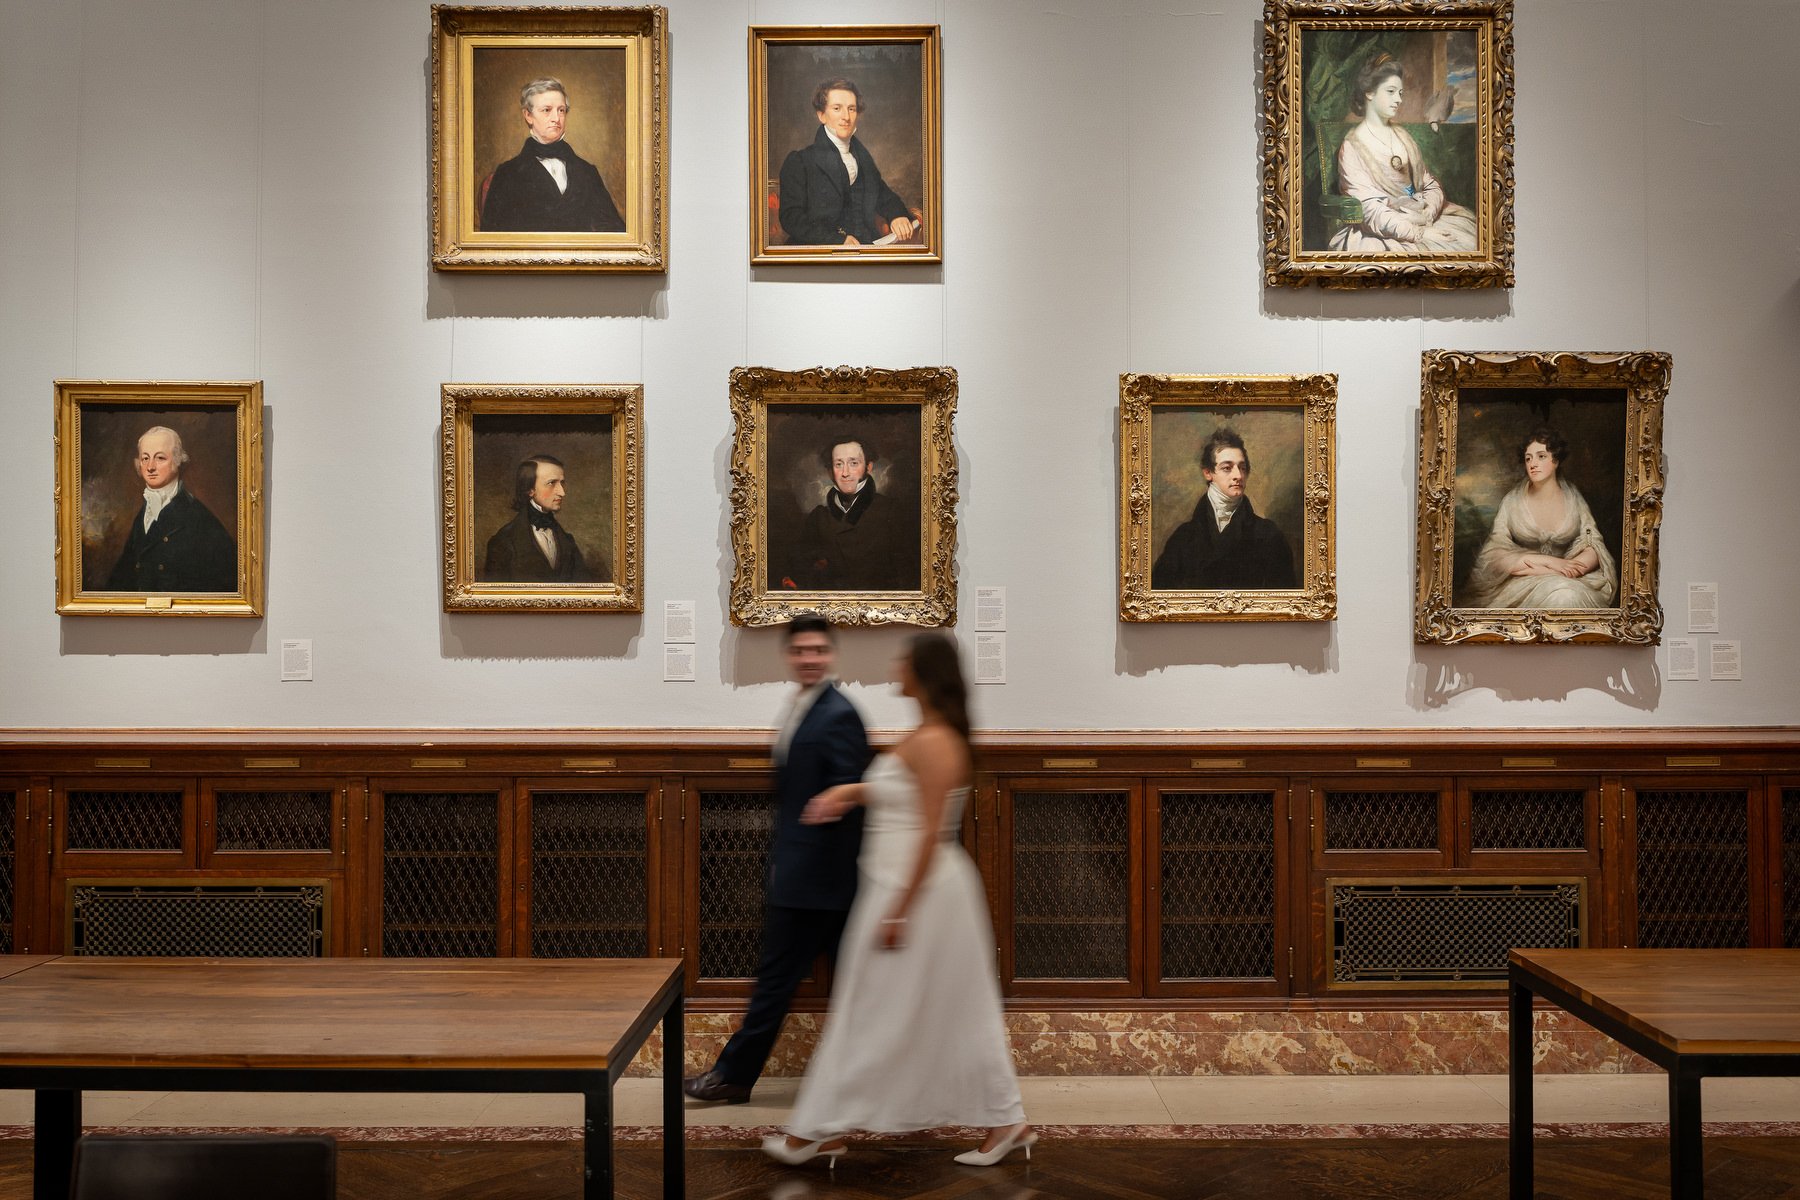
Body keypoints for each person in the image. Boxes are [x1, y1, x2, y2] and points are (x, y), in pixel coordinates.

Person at [763, 633, 1034, 1170]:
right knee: (904, 1011)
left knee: (876, 1012)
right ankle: (1003, 1119)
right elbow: (899, 794)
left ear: (924, 674)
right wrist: (850, 792)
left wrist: (901, 909)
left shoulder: (937, 742)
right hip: (894, 889)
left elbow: (931, 835)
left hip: (924, 895)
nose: (895, 667)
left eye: (904, 662)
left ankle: (817, 1130)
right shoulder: (928, 733)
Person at [683, 615, 871, 1104]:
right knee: (828, 988)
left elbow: (854, 792)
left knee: (780, 983)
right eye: (802, 651)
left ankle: (733, 1076)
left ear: (831, 655)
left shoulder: (838, 713)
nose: (810, 659)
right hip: (801, 874)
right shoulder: (802, 708)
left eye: (818, 651)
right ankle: (739, 1077)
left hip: (821, 883)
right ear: (790, 655)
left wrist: (834, 811)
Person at [1328, 55, 1477, 253]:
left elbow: (1429, 183)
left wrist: (1428, 213)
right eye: (1391, 92)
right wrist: (1418, 233)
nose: (1398, 99)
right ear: (1369, 93)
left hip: (1421, 218)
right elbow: (1368, 209)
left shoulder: (1403, 136)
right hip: (1381, 231)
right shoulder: (1352, 147)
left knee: (1470, 243)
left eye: (1400, 93)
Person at [1464, 427, 1618, 609]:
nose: (1532, 464)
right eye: (1528, 458)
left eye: (1541, 456)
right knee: (1564, 595)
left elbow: (1593, 545)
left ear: (1556, 460)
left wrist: (1570, 570)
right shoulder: (1512, 501)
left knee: (1569, 594)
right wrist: (1550, 564)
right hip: (1523, 583)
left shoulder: (1573, 498)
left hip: (1571, 578)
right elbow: (1495, 555)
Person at [777, 77, 918, 246]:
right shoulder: (800, 162)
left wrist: (897, 215)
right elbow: (791, 218)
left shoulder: (862, 159)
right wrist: (838, 241)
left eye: (852, 109)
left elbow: (883, 195)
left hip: (865, 249)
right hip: (817, 255)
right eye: (837, 108)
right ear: (821, 115)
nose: (846, 117)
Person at [1151, 428, 1297, 590]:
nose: (1238, 475)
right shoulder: (1183, 538)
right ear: (1208, 473)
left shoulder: (1269, 535)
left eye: (1242, 467)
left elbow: (1283, 602)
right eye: (1227, 468)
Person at [480, 77, 626, 233]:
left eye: (561, 110)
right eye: (547, 110)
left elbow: (614, 231)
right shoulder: (507, 173)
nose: (556, 119)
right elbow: (492, 239)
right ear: (528, 115)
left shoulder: (588, 172)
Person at [101, 426, 236, 593]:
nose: (150, 467)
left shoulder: (199, 519)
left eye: (160, 458)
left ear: (178, 460)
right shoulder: (142, 515)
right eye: (145, 458)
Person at [787, 434, 920, 591]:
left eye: (853, 463)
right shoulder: (818, 518)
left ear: (868, 467)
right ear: (830, 471)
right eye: (838, 464)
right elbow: (798, 570)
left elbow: (908, 577)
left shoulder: (891, 511)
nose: (845, 473)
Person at [481, 454, 603, 583]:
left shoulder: (567, 542)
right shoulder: (503, 542)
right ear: (530, 490)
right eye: (551, 483)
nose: (562, 492)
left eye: (562, 483)